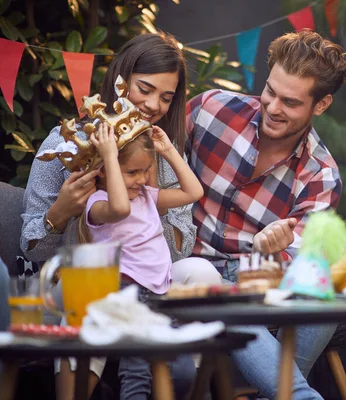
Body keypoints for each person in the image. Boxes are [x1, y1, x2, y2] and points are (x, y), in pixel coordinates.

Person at [21, 32, 219, 400]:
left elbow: (182, 242)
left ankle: (187, 380)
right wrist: (60, 213)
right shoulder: (66, 145)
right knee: (95, 288)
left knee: (204, 272)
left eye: (166, 96)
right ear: (121, 80)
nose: (153, 104)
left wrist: (148, 194)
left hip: (145, 280)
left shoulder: (160, 148)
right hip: (77, 279)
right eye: (145, 89)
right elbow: (30, 248)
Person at [186, 30, 346, 399]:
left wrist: (273, 249)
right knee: (221, 300)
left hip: (257, 279)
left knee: (322, 292)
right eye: (270, 92)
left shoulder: (321, 175)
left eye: (290, 102)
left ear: (320, 105)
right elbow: (149, 164)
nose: (273, 107)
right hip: (187, 267)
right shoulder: (210, 110)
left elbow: (300, 268)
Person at [81, 122, 203, 397]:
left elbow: (194, 192)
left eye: (145, 170)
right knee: (136, 371)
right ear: (103, 171)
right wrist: (110, 156)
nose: (141, 179)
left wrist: (169, 151)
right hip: (127, 295)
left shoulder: (147, 196)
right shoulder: (98, 204)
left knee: (181, 368)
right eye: (132, 172)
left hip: (160, 293)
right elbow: (120, 207)